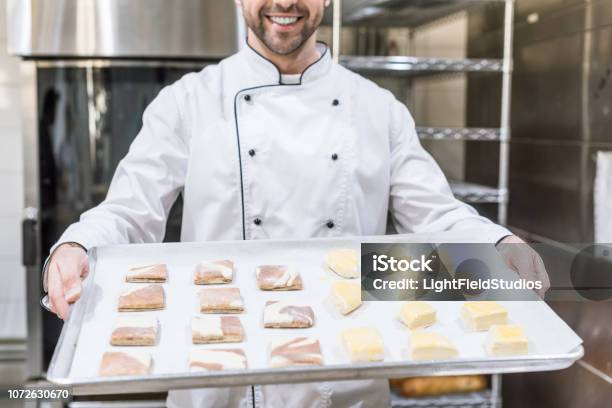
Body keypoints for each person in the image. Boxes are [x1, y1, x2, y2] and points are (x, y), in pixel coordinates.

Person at [44, 0, 550, 406]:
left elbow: (437, 215)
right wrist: (77, 245)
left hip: (345, 383)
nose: (284, 3)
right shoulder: (189, 101)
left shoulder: (377, 109)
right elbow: (130, 210)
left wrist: (497, 242)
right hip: (218, 379)